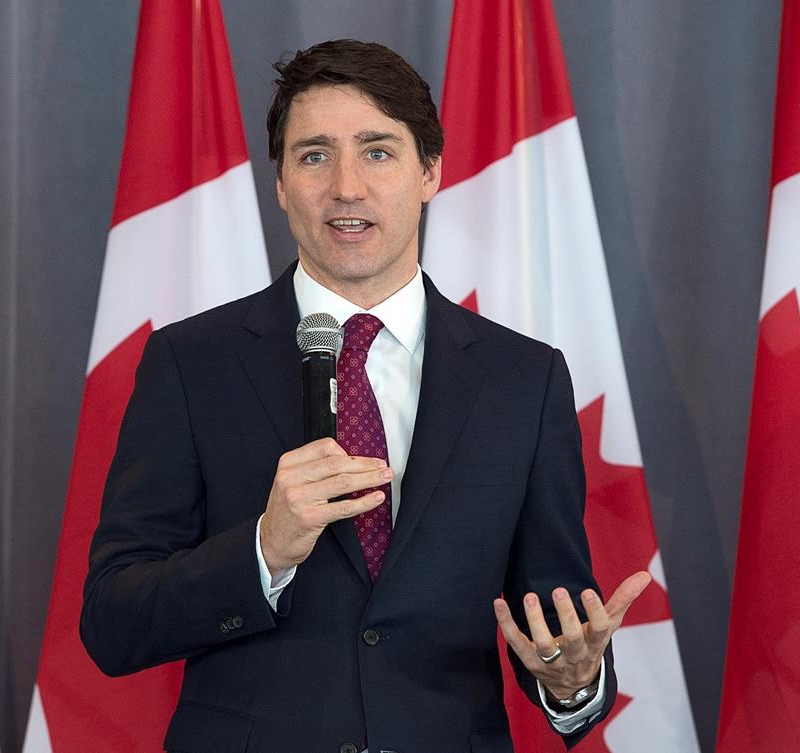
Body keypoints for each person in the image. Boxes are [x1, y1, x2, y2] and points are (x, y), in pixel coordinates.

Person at [81, 39, 650, 753]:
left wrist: (572, 680)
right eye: (314, 155)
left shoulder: (523, 379)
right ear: (282, 182)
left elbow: (552, 619)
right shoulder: (191, 363)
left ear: (430, 172)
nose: (346, 186)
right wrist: (264, 550)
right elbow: (111, 621)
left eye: (377, 151)